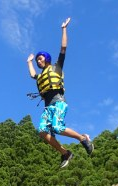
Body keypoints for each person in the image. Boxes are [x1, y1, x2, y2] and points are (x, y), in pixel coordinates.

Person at [26, 17, 94, 168]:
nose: (38, 61)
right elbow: (32, 75)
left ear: (47, 59)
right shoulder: (40, 75)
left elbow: (63, 48)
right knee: (42, 132)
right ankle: (65, 153)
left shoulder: (56, 68)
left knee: (57, 127)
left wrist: (64, 29)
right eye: (37, 60)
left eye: (40, 58)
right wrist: (29, 62)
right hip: (48, 107)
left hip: (58, 102)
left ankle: (83, 138)